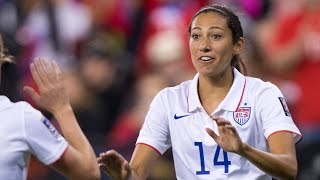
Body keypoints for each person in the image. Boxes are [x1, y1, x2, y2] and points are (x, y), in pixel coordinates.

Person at [98, 4, 301, 180]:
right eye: (196, 36)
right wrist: (125, 176)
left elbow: (289, 169)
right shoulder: (168, 100)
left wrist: (243, 150)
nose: (204, 45)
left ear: (238, 45)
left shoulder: (263, 94)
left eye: (216, 36)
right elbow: (137, 173)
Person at [0, 34, 100, 180]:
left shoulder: (22, 117)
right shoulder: (21, 117)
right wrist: (62, 108)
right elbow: (89, 173)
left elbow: (89, 174)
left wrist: (62, 108)